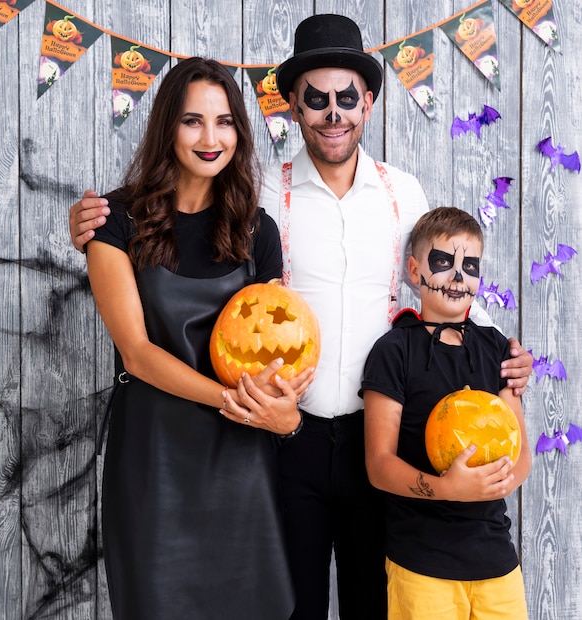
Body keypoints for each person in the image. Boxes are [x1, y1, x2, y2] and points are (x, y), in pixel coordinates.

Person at [69, 16, 533, 620]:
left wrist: (499, 354)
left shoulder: (404, 194)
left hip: (381, 434)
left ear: (369, 102)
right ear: (292, 105)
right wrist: (88, 224)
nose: (333, 112)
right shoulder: (259, 197)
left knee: (373, 600)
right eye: (316, 99)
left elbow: (441, 287)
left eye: (347, 98)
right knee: (288, 604)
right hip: (287, 434)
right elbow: (225, 296)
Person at [84, 56, 314, 620]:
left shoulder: (258, 230)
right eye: (193, 121)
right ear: (167, 126)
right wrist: (236, 402)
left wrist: (286, 412)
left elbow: (271, 342)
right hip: (155, 456)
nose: (211, 138)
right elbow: (136, 353)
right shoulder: (115, 221)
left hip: (241, 463)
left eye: (225, 122)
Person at [360, 206, 531, 619]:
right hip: (423, 565)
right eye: (443, 262)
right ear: (415, 271)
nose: (458, 276)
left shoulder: (497, 349)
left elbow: (521, 451)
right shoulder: (394, 351)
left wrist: (497, 480)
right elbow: (379, 465)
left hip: (496, 562)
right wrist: (448, 489)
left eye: (469, 266)